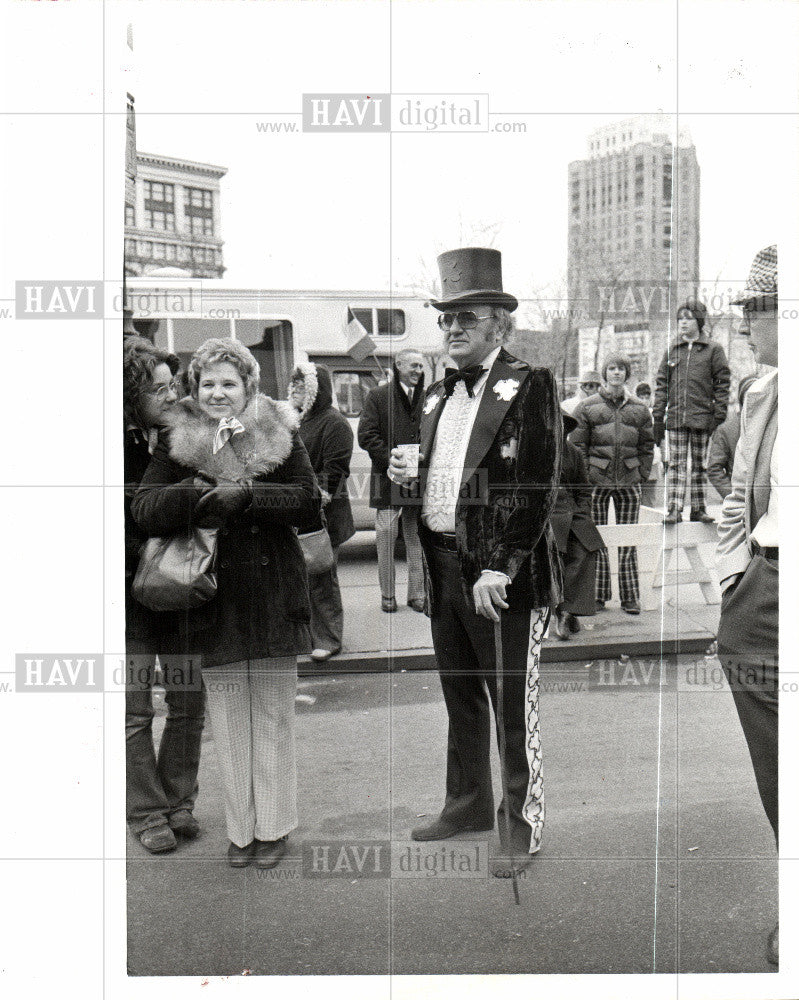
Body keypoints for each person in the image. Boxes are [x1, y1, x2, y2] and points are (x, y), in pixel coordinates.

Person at [389, 247, 562, 872]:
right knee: (460, 698)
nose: (452, 328)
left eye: (467, 317)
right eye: (445, 318)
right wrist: (404, 474)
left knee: (513, 706)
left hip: (501, 579)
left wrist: (502, 564)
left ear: (499, 325)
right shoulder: (435, 396)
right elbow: (434, 484)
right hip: (442, 566)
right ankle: (465, 801)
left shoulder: (531, 384)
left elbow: (538, 484)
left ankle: (521, 824)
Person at [132, 338, 321, 870]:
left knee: (272, 717)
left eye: (229, 383)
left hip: (273, 595)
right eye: (208, 383)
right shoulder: (176, 438)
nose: (218, 393)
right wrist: (193, 491)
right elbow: (144, 509)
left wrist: (250, 495)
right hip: (211, 601)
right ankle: (242, 832)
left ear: (249, 388)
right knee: (230, 721)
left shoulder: (280, 431)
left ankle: (275, 826)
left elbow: (309, 502)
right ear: (196, 388)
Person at [715, 245, 778, 966]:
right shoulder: (759, 394)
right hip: (762, 591)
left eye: (753, 315)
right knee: (777, 772)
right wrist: (733, 579)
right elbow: (737, 496)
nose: (747, 329)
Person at [124, 337, 206, 854]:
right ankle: (145, 811)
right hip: (128, 597)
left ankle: (179, 802)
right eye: (157, 388)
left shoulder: (181, 433)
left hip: (178, 588)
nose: (170, 394)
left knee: (186, 702)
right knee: (134, 711)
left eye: (172, 384)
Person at [571, 353, 654, 615]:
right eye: (612, 369)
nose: (616, 373)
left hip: (629, 480)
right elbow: (577, 446)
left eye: (621, 369)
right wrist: (585, 476)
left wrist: (641, 473)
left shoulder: (639, 408)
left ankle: (630, 596)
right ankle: (599, 594)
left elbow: (647, 445)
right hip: (597, 480)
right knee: (597, 537)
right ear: (604, 374)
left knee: (628, 538)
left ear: (627, 374)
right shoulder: (588, 407)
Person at [288, 361, 355, 661]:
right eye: (293, 384)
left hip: (324, 516)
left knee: (322, 578)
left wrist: (307, 497)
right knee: (302, 579)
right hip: (300, 513)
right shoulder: (298, 420)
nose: (294, 389)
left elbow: (334, 473)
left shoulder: (334, 423)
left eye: (301, 385)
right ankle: (309, 635)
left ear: (317, 390)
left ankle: (329, 639)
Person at [358, 349, 426, 613]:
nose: (418, 371)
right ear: (398, 365)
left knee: (415, 538)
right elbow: (366, 434)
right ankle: (388, 596)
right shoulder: (377, 396)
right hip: (387, 479)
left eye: (420, 366)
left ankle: (417, 595)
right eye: (413, 365)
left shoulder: (428, 397)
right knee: (386, 537)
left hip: (416, 480)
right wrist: (390, 458)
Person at [653, 298, 731, 524]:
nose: (683, 323)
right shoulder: (672, 350)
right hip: (676, 417)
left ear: (699, 320)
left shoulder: (713, 349)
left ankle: (698, 508)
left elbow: (722, 382)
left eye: (688, 318)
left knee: (699, 465)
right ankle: (674, 508)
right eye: (680, 319)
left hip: (702, 418)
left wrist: (718, 414)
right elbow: (661, 384)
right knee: (676, 464)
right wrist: (658, 415)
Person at [550, 407, 604, 640]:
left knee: (586, 548)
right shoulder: (531, 451)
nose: (557, 429)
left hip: (572, 514)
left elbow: (583, 490)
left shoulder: (572, 452)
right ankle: (560, 611)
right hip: (547, 517)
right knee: (554, 558)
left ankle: (568, 609)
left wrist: (584, 513)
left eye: (562, 425)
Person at [707, 374, 757, 501]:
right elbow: (714, 469)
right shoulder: (726, 430)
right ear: (742, 400)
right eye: (749, 396)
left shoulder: (774, 427)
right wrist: (733, 496)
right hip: (740, 502)